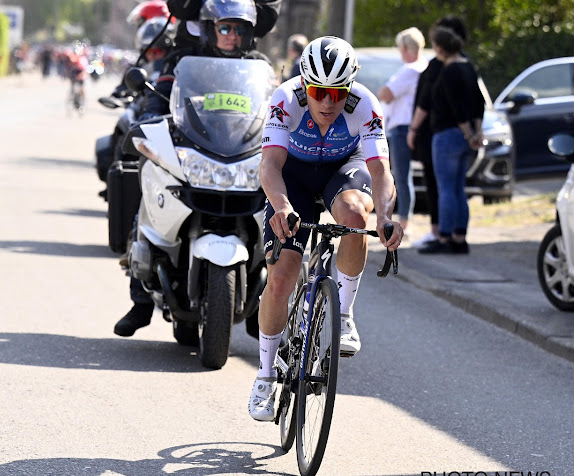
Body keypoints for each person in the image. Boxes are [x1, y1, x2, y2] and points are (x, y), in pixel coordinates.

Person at [247, 36, 403, 421]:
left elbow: (381, 171)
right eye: (318, 92)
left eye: (337, 93)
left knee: (354, 215)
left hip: (341, 169)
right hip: (293, 176)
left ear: (349, 88)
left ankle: (345, 315)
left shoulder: (365, 105)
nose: (328, 103)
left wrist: (384, 215)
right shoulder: (286, 99)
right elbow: (269, 166)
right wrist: (281, 206)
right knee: (281, 277)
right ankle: (265, 376)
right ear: (305, 85)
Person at [113, 0, 272, 337]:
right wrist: (147, 121)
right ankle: (140, 300)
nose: (232, 36)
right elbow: (158, 97)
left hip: (242, 154)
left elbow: (277, 107)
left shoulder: (259, 66)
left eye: (240, 29)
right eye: (225, 28)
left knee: (281, 220)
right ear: (209, 28)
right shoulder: (183, 60)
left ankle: (265, 310)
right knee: (147, 189)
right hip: (193, 153)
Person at [414, 25, 483, 255]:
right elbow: (478, 103)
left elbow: (455, 107)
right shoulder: (468, 68)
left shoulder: (449, 71)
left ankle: (444, 237)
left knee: (445, 189)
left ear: (439, 47)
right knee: (458, 188)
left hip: (448, 135)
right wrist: (476, 132)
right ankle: (460, 237)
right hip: (465, 136)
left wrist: (468, 133)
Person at [407, 15, 468, 248]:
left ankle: (440, 234)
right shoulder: (464, 64)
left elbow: (426, 100)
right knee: (454, 187)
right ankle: (455, 235)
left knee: (438, 185)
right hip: (455, 133)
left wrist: (413, 129)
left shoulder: (440, 66)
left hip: (437, 132)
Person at [377, 27, 427, 235]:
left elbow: (386, 93)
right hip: (409, 127)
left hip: (401, 127)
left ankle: (403, 220)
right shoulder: (424, 67)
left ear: (406, 48)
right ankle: (405, 217)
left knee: (401, 176)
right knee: (405, 176)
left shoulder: (410, 69)